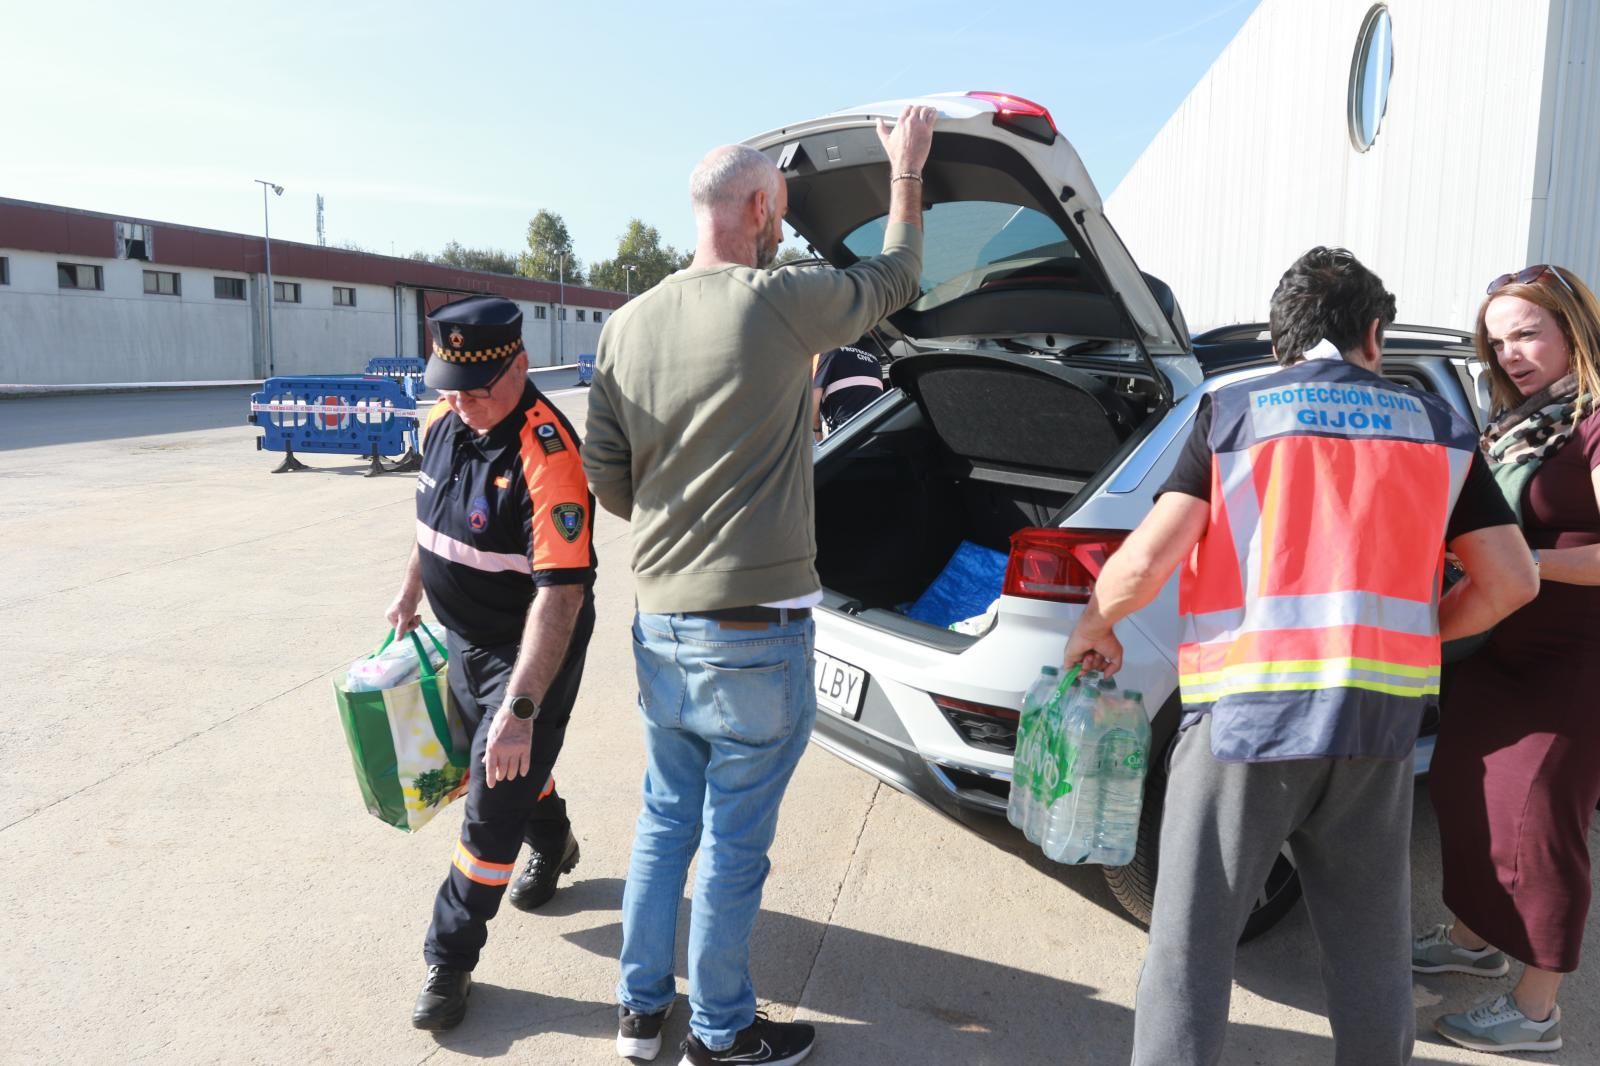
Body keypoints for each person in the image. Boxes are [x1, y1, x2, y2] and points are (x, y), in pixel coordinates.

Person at [1059, 247, 1538, 1066]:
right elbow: (1511, 582)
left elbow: (1145, 561)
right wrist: (1421, 635)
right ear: (1374, 335)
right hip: (1377, 727)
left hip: (1246, 724)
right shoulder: (1438, 428)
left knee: (1191, 948)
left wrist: (1091, 628)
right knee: (1369, 953)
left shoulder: (1238, 412)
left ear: (1283, 344)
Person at [583, 104, 937, 1066]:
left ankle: (637, 1013)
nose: (780, 224)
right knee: (734, 846)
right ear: (754, 205)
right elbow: (898, 279)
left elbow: (606, 477)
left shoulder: (626, 327)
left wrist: (675, 518)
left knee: (663, 822)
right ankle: (721, 1032)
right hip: (756, 632)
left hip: (660, 621)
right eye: (777, 209)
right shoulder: (778, 300)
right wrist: (905, 172)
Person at [386, 295, 598, 1031]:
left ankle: (449, 960)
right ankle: (555, 838)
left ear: (522, 365)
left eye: (478, 390)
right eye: (450, 386)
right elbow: (429, 519)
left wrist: (522, 709)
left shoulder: (548, 456)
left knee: (488, 800)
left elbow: (561, 599)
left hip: (530, 652)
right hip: (464, 643)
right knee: (510, 771)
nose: (463, 403)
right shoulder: (445, 424)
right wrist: (412, 591)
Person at [1417, 264, 1600, 1055]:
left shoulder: (1593, 422)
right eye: (1499, 341)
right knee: (1466, 793)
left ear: (1574, 329)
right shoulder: (1521, 420)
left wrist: (1517, 562)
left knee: (1540, 825)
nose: (1513, 353)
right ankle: (1475, 936)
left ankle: (1536, 1011)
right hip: (1495, 644)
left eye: (1529, 332)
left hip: (1573, 658)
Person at [812, 337, 886, 441]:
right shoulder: (874, 360)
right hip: (877, 431)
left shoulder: (829, 353)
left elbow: (813, 404)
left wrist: (817, 430)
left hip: (845, 435)